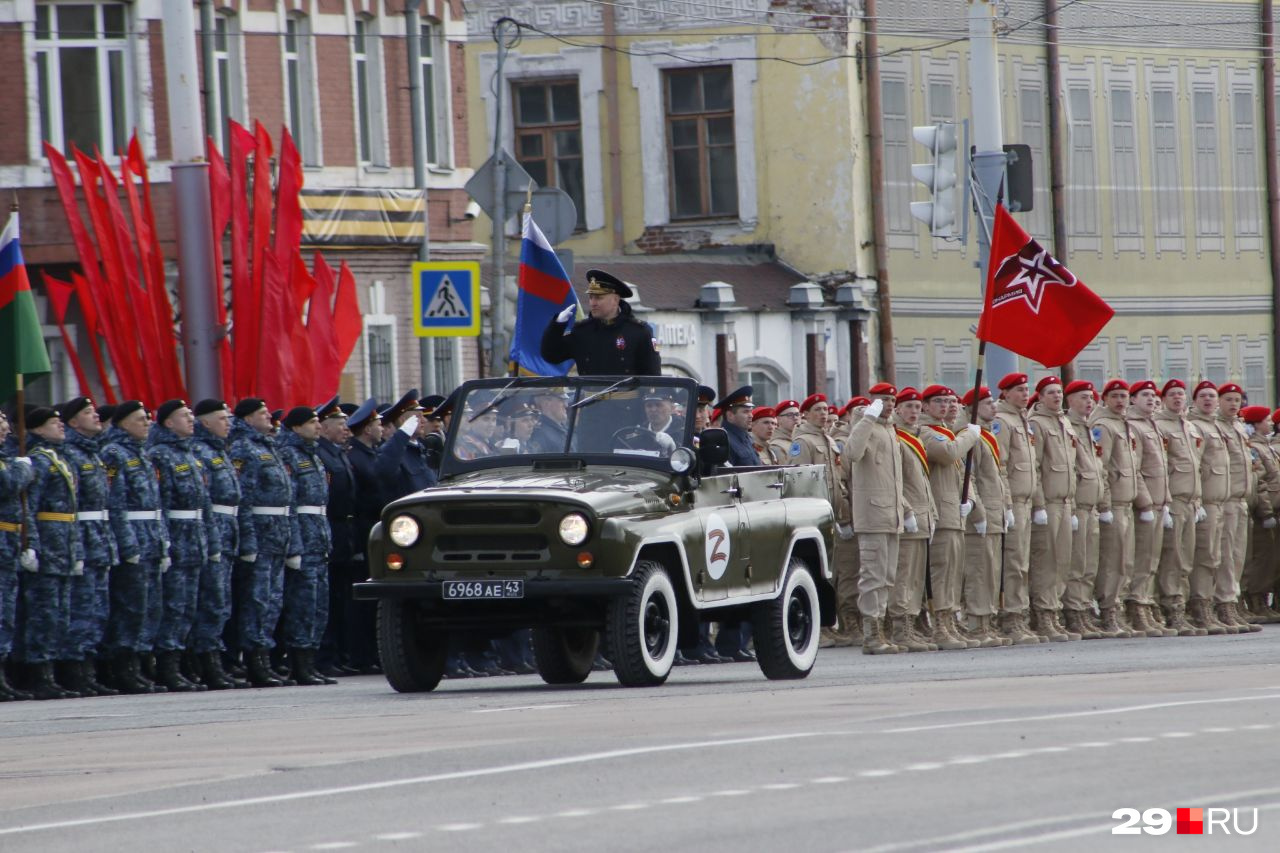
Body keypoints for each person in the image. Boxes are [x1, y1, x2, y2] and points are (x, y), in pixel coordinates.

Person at [148, 399, 218, 691]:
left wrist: (211, 541)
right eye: (183, 416)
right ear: (167, 423)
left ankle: (185, 664)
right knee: (174, 606)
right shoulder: (160, 456)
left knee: (190, 606)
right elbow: (159, 504)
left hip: (196, 537)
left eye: (191, 414)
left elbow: (204, 504)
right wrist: (164, 542)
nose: (191, 419)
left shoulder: (190, 454)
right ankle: (168, 667)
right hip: (177, 538)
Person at [102, 401, 171, 692]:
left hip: (151, 538)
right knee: (131, 607)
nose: (147, 423)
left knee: (149, 607)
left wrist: (163, 540)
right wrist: (128, 546)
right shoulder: (114, 454)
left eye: (147, 418)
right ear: (123, 423)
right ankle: (123, 666)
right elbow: (115, 505)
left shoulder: (141, 454)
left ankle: (142, 663)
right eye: (140, 419)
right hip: (134, 539)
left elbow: (157, 504)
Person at [17, 407, 84, 700]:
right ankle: (38, 673)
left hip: (65, 543)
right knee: (43, 611)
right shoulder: (39, 462)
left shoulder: (60, 458)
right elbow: (29, 506)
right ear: (38, 430)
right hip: (48, 544)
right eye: (54, 423)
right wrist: (30, 544)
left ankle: (55, 671)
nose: (60, 427)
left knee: (60, 612)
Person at [229, 397, 295, 687]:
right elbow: (243, 499)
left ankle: (265, 659)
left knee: (272, 601)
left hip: (277, 534)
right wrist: (249, 542)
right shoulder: (243, 448)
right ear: (246, 420)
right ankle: (254, 661)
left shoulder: (268, 446)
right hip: (260, 532)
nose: (269, 416)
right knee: (256, 601)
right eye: (262, 413)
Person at [58, 397, 119, 695]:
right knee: (81, 610)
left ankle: (90, 670)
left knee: (97, 609)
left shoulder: (93, 454)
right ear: (72, 422)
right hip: (80, 539)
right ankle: (74, 671)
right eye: (87, 413)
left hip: (100, 539)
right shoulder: (69, 454)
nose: (95, 416)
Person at [841, 384, 907, 654]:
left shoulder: (889, 429)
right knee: (872, 576)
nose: (889, 404)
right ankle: (871, 634)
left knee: (887, 576)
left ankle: (880, 629)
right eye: (883, 400)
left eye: (892, 399)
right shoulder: (864, 424)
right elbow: (852, 453)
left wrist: (904, 509)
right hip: (872, 514)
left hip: (891, 514)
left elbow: (894, 478)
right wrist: (868, 416)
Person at [189, 398, 248, 688]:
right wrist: (212, 541)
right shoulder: (200, 451)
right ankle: (205, 664)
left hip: (227, 531)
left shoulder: (218, 451)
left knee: (221, 602)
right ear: (206, 423)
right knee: (211, 601)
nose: (228, 423)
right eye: (222, 419)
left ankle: (216, 662)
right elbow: (206, 502)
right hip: (212, 534)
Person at [918, 385, 982, 649]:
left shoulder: (946, 433)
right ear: (925, 406)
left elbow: (961, 473)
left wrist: (970, 500)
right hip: (940, 512)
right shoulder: (926, 432)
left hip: (954, 510)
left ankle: (950, 620)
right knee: (941, 571)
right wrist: (969, 436)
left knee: (954, 570)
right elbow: (948, 454)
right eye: (938, 401)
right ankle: (940, 625)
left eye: (948, 401)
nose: (945, 406)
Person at [277, 406, 337, 686]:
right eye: (312, 422)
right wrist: (295, 546)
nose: (318, 426)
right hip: (304, 539)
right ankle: (298, 663)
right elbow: (290, 504)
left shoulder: (313, 455)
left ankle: (311, 661)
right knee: (302, 605)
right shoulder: (288, 454)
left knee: (318, 605)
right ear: (296, 427)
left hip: (319, 538)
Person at [1093, 379, 1151, 638]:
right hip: (1114, 503)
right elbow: (1101, 468)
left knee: (1126, 561)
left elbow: (1134, 468)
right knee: (1113, 561)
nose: (1120, 400)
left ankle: (1120, 607)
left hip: (1127, 503)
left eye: (1123, 396)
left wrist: (1144, 501)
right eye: (1115, 396)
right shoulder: (1104, 426)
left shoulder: (1124, 425)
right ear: (1105, 399)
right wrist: (1104, 503)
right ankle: (1108, 611)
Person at [960, 386, 1014, 647]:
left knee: (992, 570)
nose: (994, 407)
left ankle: (986, 620)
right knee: (979, 570)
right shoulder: (970, 435)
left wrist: (1007, 506)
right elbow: (969, 479)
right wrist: (978, 513)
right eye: (988, 403)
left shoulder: (987, 435)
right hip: (981, 515)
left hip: (996, 511)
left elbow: (998, 476)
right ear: (973, 408)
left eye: (994, 402)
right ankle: (975, 623)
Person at [885, 387, 937, 652]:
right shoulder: (895, 438)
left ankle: (913, 624)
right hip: (906, 517)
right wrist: (906, 511)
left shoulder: (915, 437)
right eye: (908, 407)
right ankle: (900, 628)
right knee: (903, 575)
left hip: (922, 515)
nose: (914, 412)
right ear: (897, 411)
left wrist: (932, 513)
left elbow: (923, 483)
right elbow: (894, 483)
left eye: (917, 408)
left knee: (916, 578)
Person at [1027, 376, 1079, 642]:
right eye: (1050, 392)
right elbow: (1034, 467)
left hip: (1066, 501)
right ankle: (1043, 613)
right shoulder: (1037, 424)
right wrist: (1038, 504)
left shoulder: (1064, 422)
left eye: (1059, 392)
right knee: (1045, 560)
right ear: (1039, 397)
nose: (1056, 396)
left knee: (1062, 560)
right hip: (1048, 502)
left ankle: (1054, 609)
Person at [992, 373, 1042, 644]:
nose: (1025, 394)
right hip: (1014, 503)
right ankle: (1011, 618)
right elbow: (1001, 467)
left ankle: (1021, 615)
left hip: (1027, 502)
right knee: (1013, 562)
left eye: (1026, 389)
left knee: (1022, 563)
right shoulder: (1003, 421)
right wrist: (1007, 503)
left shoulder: (1022, 421)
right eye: (1020, 390)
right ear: (1006, 394)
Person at [1125, 380, 1176, 637]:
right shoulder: (1133, 426)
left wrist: (1165, 500)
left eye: (1152, 395)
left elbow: (1162, 469)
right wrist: (1145, 502)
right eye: (1144, 394)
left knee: (1153, 558)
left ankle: (1147, 603)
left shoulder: (1152, 425)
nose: (1150, 399)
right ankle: (1137, 606)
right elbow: (1135, 469)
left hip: (1159, 502)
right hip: (1145, 505)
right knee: (1142, 558)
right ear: (1133, 399)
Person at [539, 269, 660, 376]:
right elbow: (551, 355)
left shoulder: (639, 331)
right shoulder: (582, 331)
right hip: (589, 400)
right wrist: (557, 325)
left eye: (599, 298)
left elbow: (653, 372)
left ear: (615, 300)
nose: (593, 303)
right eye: (591, 297)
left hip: (626, 400)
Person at [313, 397, 358, 676]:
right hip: (329, 526)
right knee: (327, 597)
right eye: (340, 424)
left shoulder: (338, 452)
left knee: (341, 598)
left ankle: (339, 654)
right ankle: (325, 656)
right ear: (324, 427)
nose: (346, 429)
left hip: (344, 531)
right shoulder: (321, 453)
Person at [1064, 381, 1110, 639]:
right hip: (1077, 503)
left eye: (1091, 398)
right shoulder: (1068, 426)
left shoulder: (1089, 427)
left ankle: (1083, 608)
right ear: (1070, 400)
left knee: (1090, 563)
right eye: (1083, 397)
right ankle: (1074, 612)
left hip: (1092, 505)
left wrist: (1104, 503)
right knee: (1077, 562)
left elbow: (1100, 469)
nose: (1089, 402)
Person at [1215, 382, 1261, 633]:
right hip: (1225, 499)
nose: (1234, 404)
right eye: (1228, 399)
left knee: (1237, 556)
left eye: (1237, 400)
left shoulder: (1240, 429)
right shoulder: (1215, 427)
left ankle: (1233, 602)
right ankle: (1223, 604)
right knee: (1224, 555)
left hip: (1242, 500)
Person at [343, 398, 382, 673]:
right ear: (367, 429)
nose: (381, 428)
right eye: (378, 424)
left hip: (374, 532)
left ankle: (371, 654)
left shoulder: (369, 454)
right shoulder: (355, 457)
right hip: (363, 532)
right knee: (361, 604)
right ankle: (361, 655)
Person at [0, 411, 35, 700]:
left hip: (9, 542)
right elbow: (8, 485)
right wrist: (23, 469)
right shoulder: (10, 466)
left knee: (6, 613)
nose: (5, 429)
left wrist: (28, 543)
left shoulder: (8, 460)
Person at [1239, 405, 1279, 624]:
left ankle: (1261, 600)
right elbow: (1260, 482)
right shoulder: (1255, 446)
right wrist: (1265, 511)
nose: (1270, 423)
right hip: (1262, 511)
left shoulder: (1265, 446)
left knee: (1269, 558)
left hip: (1270, 509)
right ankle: (1255, 600)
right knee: (1261, 558)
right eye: (1266, 420)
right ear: (1255, 423)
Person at [375, 390, 436, 501]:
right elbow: (384, 471)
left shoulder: (420, 448)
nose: (423, 420)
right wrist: (403, 434)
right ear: (403, 420)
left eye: (423, 416)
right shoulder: (395, 450)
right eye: (418, 417)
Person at [717, 386, 758, 467]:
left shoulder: (747, 438)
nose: (751, 416)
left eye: (751, 411)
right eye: (746, 412)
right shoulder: (724, 441)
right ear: (730, 415)